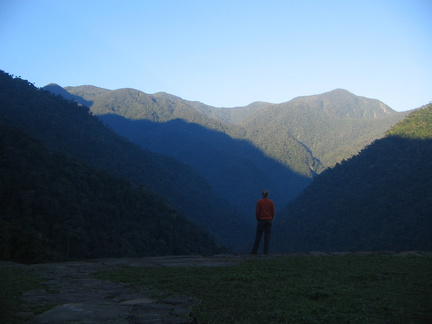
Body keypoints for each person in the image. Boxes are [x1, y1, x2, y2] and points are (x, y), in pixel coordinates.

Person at [251, 190, 275, 254]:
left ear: (262, 195)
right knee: (267, 237)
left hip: (261, 220)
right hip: (269, 220)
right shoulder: (271, 202)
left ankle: (254, 251)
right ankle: (266, 251)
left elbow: (257, 212)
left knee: (258, 236)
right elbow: (273, 212)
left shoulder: (259, 202)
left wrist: (258, 219)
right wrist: (270, 218)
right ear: (267, 195)